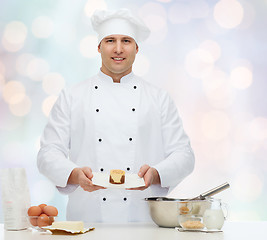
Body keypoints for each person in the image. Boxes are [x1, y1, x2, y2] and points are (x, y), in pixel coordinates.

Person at [37, 8, 195, 223]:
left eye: (126, 41)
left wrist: (156, 173)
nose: (118, 49)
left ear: (137, 48)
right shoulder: (72, 96)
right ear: (99, 46)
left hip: (142, 221)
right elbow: (47, 153)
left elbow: (184, 155)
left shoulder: (158, 98)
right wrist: (74, 174)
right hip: (87, 220)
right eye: (110, 40)